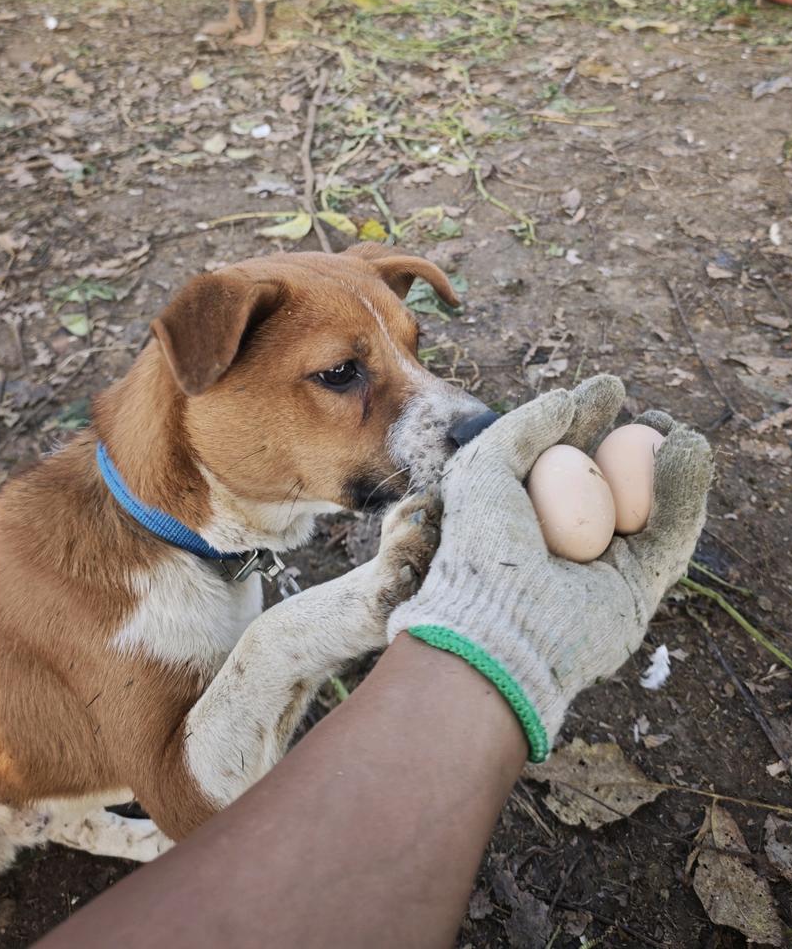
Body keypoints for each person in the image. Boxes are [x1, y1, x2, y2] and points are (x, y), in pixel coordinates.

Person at [37, 376, 712, 949]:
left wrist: (495, 638)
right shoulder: (75, 590)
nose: (457, 410)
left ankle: (78, 823)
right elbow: (194, 809)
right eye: (342, 374)